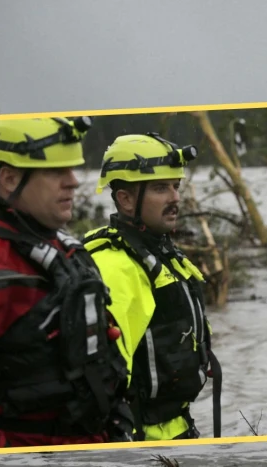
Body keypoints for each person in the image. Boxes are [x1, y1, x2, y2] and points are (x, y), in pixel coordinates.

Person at [0, 117, 133, 449]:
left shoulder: (69, 253)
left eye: (72, 169)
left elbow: (102, 356)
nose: (73, 182)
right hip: (28, 466)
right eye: (56, 171)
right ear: (9, 178)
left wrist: (120, 422)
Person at [84, 133, 216, 441]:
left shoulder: (160, 255)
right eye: (160, 188)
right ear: (126, 199)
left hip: (178, 429)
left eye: (176, 186)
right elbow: (104, 381)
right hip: (142, 439)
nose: (175, 198)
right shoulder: (115, 267)